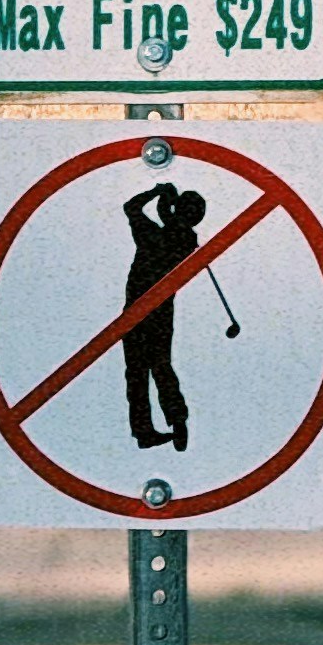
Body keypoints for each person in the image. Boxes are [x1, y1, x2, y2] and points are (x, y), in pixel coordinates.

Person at [121, 179, 208, 451]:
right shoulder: (187, 241)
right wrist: (167, 200)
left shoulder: (151, 235)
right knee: (160, 366)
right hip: (160, 314)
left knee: (137, 374)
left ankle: (144, 430)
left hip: (135, 314)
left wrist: (159, 192)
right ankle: (176, 418)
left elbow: (132, 207)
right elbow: (170, 220)